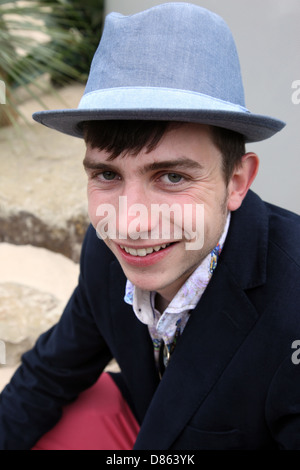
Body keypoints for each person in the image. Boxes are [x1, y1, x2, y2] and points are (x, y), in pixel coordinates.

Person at [0, 3, 299, 450]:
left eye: (172, 177)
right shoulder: (104, 250)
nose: (131, 222)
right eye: (107, 175)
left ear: (236, 181)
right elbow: (49, 375)